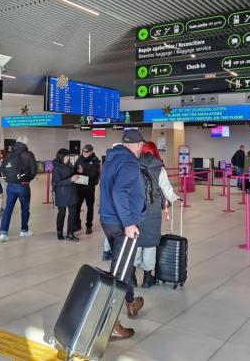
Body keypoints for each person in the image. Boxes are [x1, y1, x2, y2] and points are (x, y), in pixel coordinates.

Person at [99, 130, 147, 340]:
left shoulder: (111, 158)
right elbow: (119, 192)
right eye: (141, 146)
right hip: (122, 224)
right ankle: (109, 324)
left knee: (122, 266)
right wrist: (128, 223)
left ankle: (130, 301)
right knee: (119, 274)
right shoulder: (129, 162)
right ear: (138, 145)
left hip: (109, 220)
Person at [135, 141, 179, 289]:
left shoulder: (134, 164)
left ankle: (131, 277)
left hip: (135, 208)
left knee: (135, 240)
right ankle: (147, 278)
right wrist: (175, 198)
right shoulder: (159, 167)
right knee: (150, 243)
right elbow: (166, 189)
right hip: (152, 209)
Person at [0, 136, 37, 242]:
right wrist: (26, 178)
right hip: (23, 186)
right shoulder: (29, 155)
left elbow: (2, 168)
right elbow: (33, 171)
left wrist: (9, 178)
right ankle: (24, 231)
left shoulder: (9, 154)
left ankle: (3, 233)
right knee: (25, 209)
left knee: (8, 209)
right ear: (26, 143)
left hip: (10, 186)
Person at [52, 149, 81, 241]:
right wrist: (70, 180)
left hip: (72, 192)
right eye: (67, 156)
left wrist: (78, 173)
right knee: (62, 213)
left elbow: (72, 174)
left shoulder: (69, 164)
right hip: (62, 194)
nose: (68, 157)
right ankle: (59, 232)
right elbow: (57, 182)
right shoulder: (56, 168)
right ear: (61, 157)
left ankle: (70, 234)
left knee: (73, 213)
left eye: (69, 156)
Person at [74, 144, 101, 234]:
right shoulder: (79, 159)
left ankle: (89, 226)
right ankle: (77, 224)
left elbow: (93, 175)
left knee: (90, 208)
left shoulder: (95, 161)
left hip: (89, 188)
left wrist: (83, 172)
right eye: (83, 151)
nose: (84, 153)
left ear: (91, 152)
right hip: (79, 187)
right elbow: (74, 169)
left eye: (86, 151)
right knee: (77, 207)